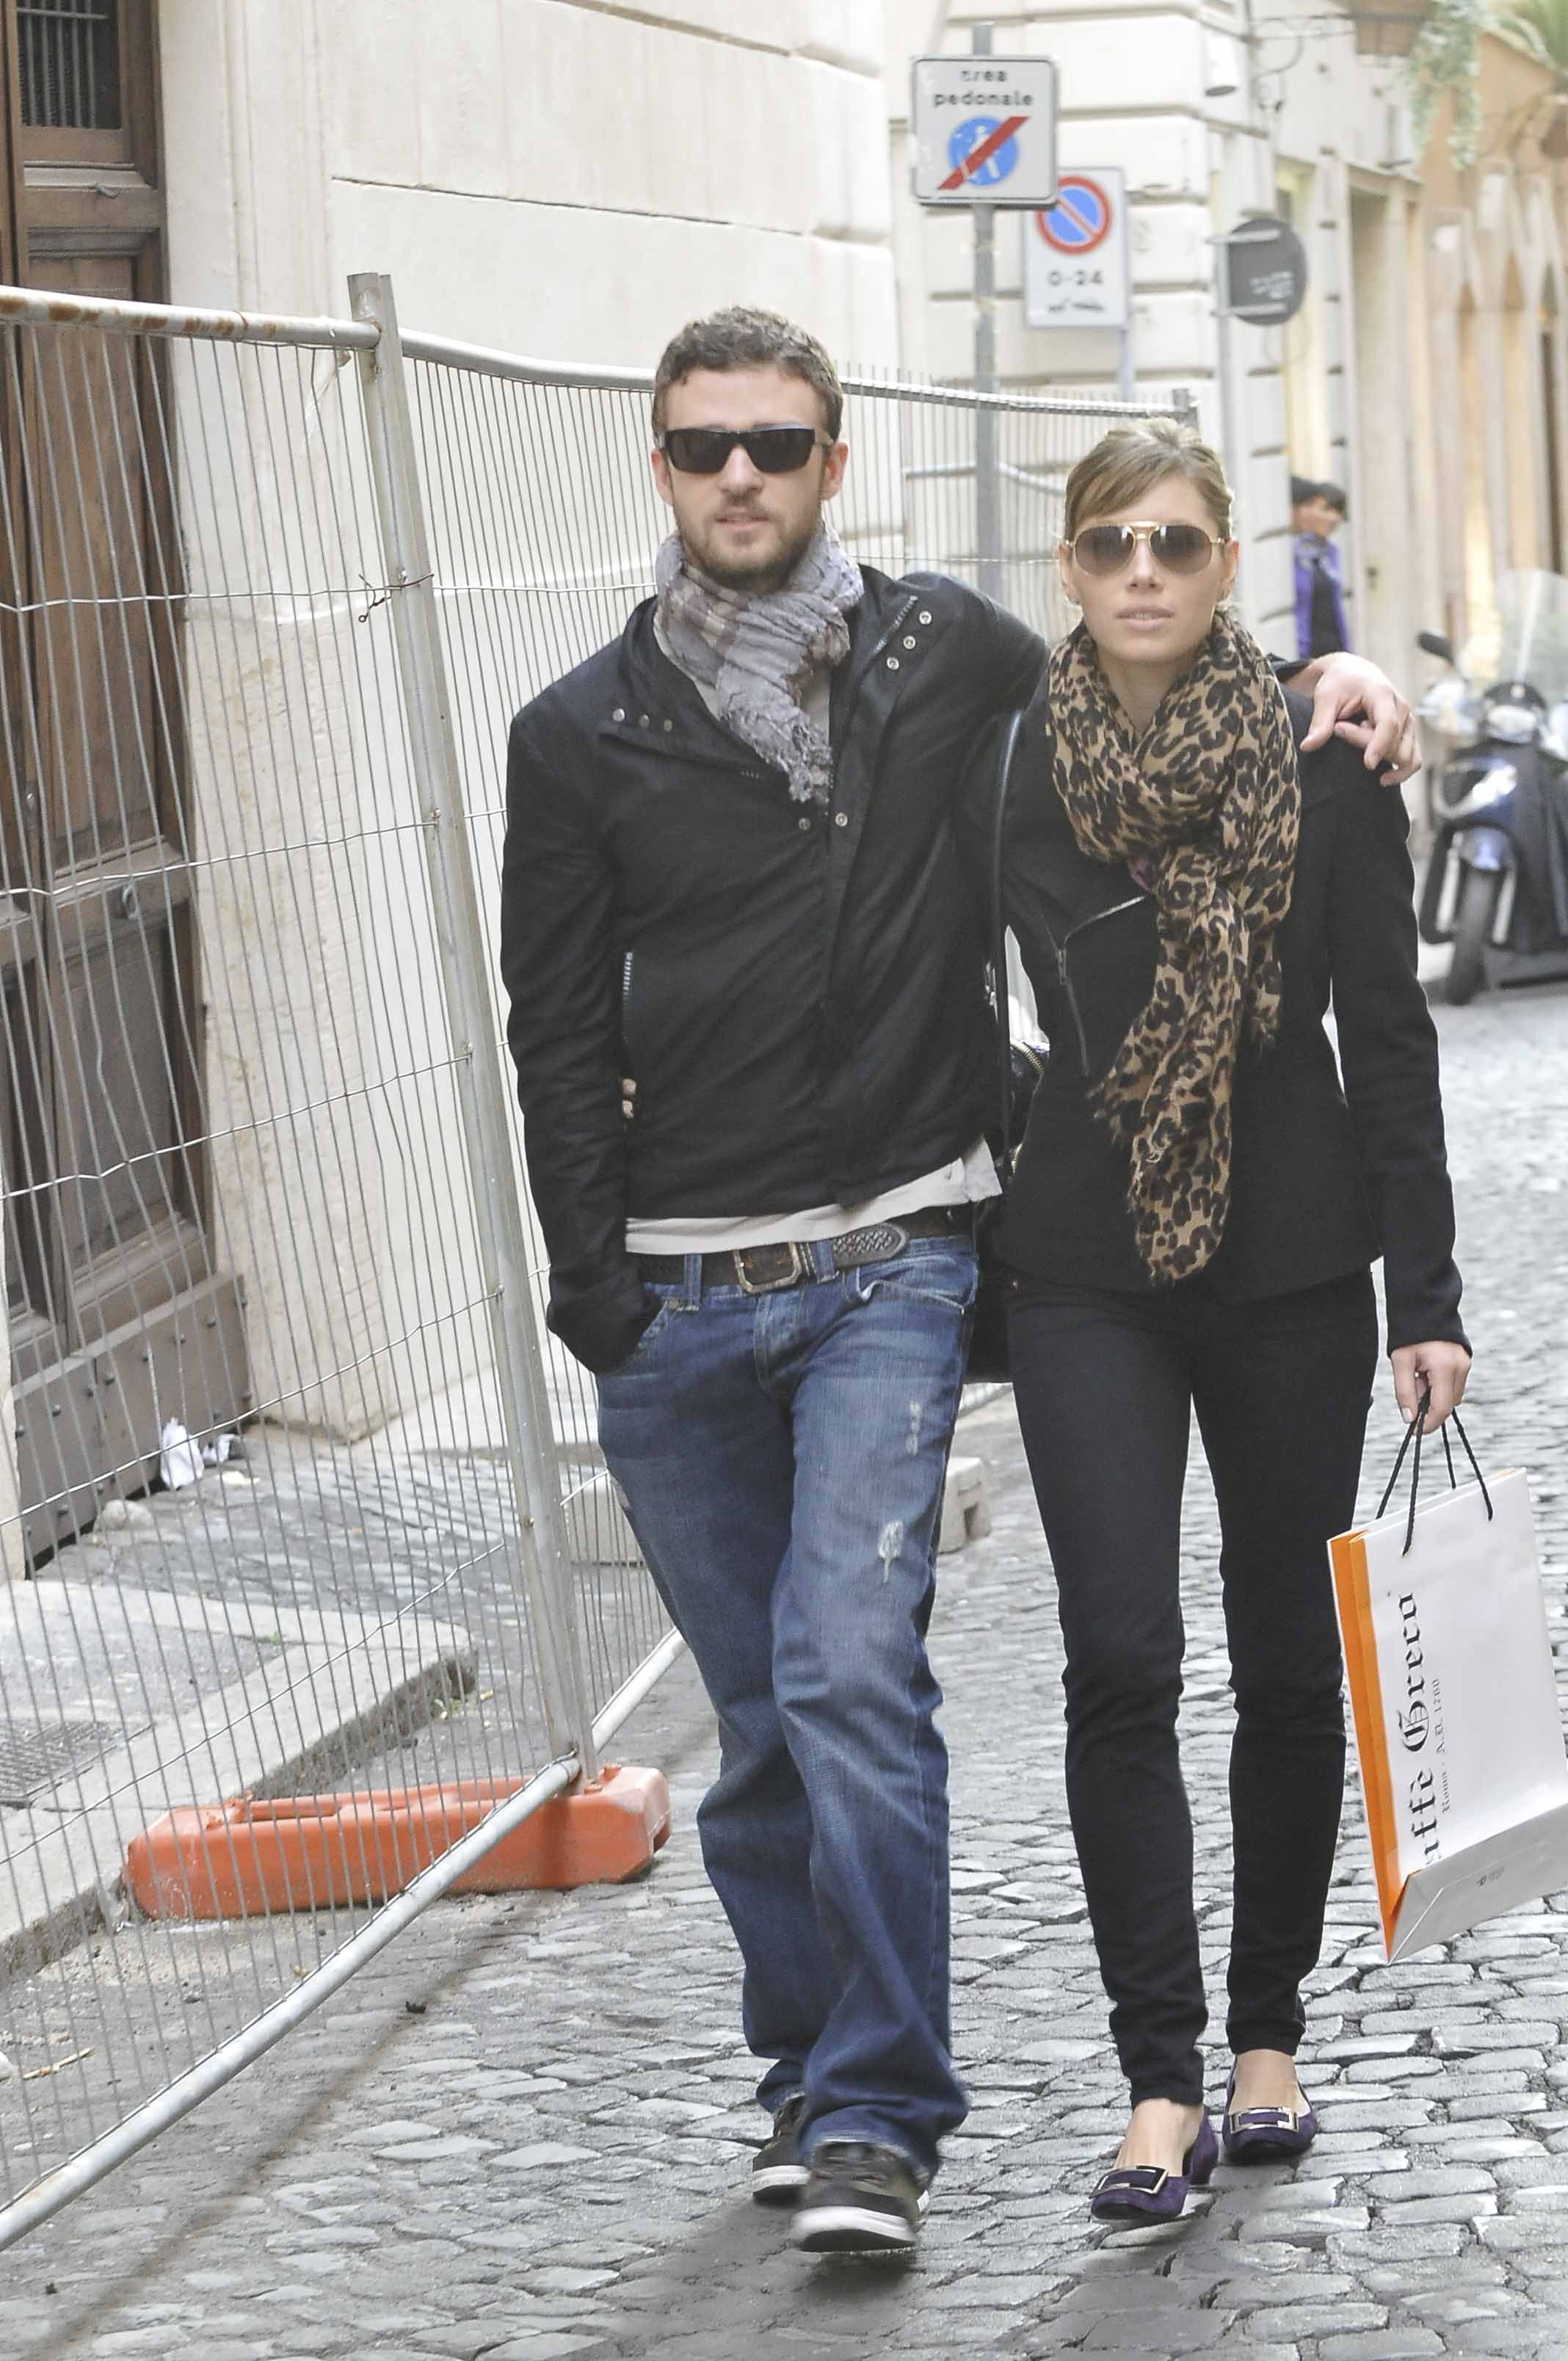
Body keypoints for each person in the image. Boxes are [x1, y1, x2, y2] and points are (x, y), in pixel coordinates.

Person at [499, 309, 1418, 2257]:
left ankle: (1080, 2076)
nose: (739, 474)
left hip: (1091, 1261)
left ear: (833, 464)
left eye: (775, 442)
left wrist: (1344, 675)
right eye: (703, 445)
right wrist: (594, 1278)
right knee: (930, 1697)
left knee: (1051, 1668)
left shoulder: (1071, 698)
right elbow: (576, 1017)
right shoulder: (714, 736)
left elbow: (1349, 981)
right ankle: (975, 2075)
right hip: (878, 1276)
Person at [977, 418, 1470, 2226]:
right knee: (1118, 1652)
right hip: (1084, 1265)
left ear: (1226, 564)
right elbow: (940, 985)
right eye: (1113, 541)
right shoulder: (1011, 766)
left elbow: (1385, 1039)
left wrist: (1426, 1292)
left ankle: (1266, 2040)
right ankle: (1158, 2076)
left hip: (1291, 1265)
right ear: (1071, 564)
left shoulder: (1325, 763)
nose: (1144, 572)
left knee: (1283, 1658)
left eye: (1177, 542)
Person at [1293, 474, 1352, 660]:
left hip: (1333, 650)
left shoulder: (1331, 553)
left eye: (1338, 512)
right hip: (1305, 652)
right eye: (1326, 509)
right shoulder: (1294, 552)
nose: (1334, 518)